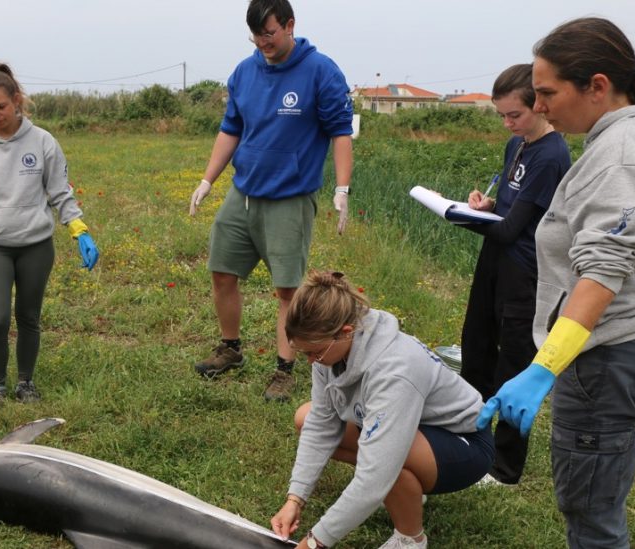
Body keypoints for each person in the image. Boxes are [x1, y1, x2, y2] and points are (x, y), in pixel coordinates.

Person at [478, 17, 635, 548]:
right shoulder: (618, 141)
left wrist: (543, 366)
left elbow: (602, 271)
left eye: (547, 92)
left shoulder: (617, 156)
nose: (540, 105)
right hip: (625, 347)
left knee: (592, 516)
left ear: (597, 86)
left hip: (603, 358)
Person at [188, 0, 354, 402]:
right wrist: (208, 179)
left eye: (269, 33)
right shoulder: (245, 72)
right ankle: (230, 348)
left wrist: (342, 188)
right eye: (255, 35)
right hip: (243, 194)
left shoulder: (321, 71)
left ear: (290, 25)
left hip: (289, 199)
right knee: (222, 273)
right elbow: (231, 128)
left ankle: (284, 369)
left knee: (287, 291)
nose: (262, 42)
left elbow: (340, 132)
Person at [271, 271, 494, 549]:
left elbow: (374, 477)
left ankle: (409, 539)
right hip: (413, 428)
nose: (310, 361)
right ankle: (405, 491)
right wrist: (295, 499)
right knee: (306, 417)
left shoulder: (394, 371)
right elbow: (321, 423)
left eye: (314, 353)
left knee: (386, 465)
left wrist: (314, 543)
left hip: (465, 442)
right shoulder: (328, 346)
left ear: (345, 333)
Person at [0, 63, 99, 406]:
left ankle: (25, 382)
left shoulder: (43, 142)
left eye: (1, 107)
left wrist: (79, 230)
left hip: (35, 245)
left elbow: (60, 193)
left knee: (29, 317)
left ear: (16, 101)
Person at [457, 64, 571, 486]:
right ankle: (469, 438)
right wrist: (482, 205)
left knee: (512, 363)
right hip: (494, 260)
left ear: (538, 106)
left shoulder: (552, 155)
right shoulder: (516, 145)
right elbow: (505, 211)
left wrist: (462, 218)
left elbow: (513, 229)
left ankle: (504, 467)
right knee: (477, 347)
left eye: (514, 115)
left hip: (525, 272)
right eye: (501, 116)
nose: (507, 124)